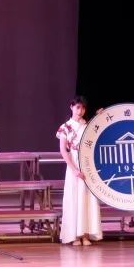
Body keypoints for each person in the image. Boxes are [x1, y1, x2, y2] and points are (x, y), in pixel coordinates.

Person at [57, 95, 102, 246]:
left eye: (83, 108)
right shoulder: (65, 127)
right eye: (77, 107)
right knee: (74, 197)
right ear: (71, 107)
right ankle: (74, 235)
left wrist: (99, 117)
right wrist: (74, 169)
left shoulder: (88, 125)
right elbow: (63, 150)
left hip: (87, 163)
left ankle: (85, 234)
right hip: (73, 164)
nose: (80, 111)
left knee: (87, 198)